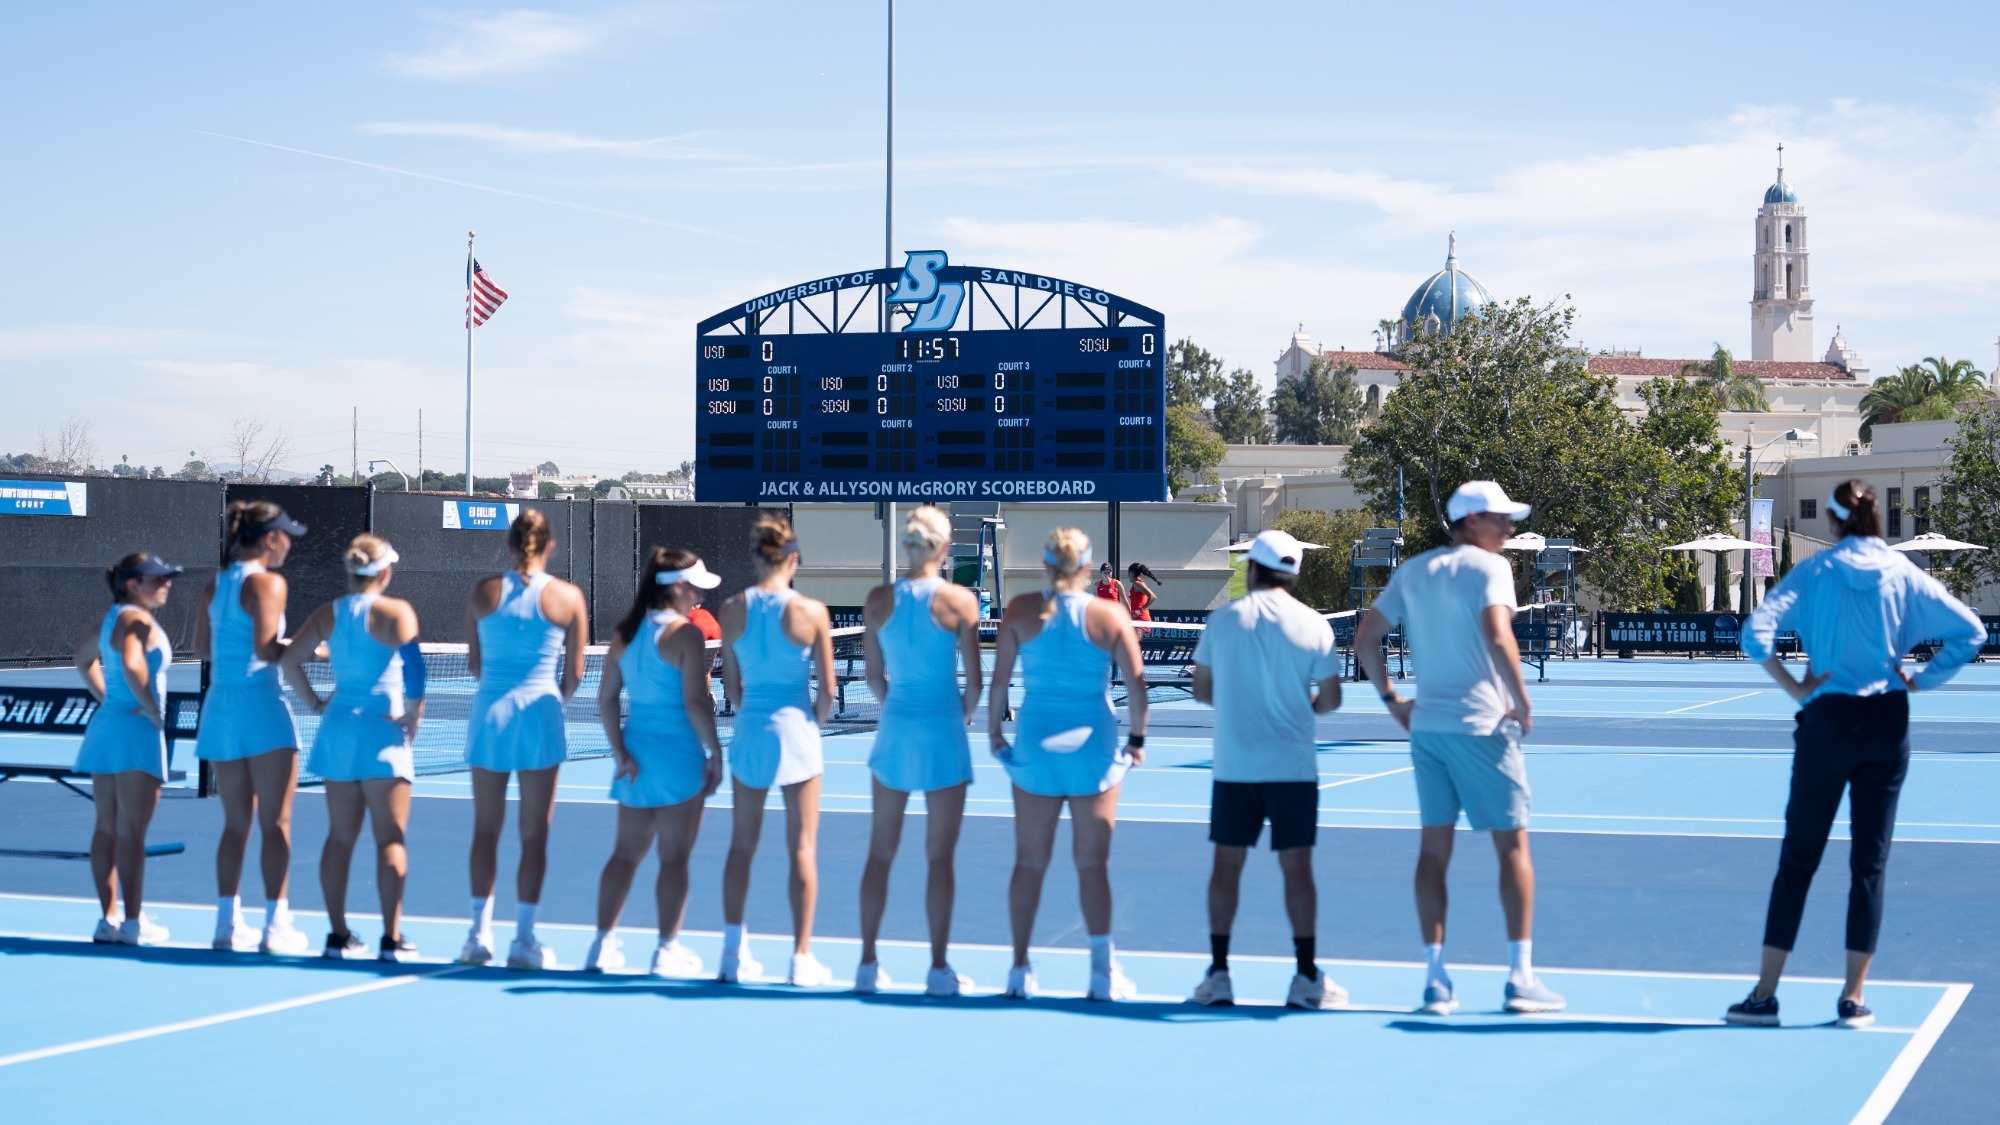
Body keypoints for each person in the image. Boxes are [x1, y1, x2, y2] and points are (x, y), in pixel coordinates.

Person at [1725, 479, 1985, 1029]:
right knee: (1869, 864)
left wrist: (1796, 687)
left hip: (1827, 721)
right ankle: (1853, 997)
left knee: (1798, 859)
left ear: (1836, 521)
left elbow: (1755, 634)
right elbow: (1971, 631)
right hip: (1887, 721)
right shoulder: (1904, 572)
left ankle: (1765, 995)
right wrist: (1922, 680)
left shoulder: (1816, 572)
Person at [1354, 481, 1565, 1015]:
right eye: (1500, 518)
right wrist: (1522, 701)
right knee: (1513, 848)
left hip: (1428, 731)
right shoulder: (1491, 568)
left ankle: (1435, 980)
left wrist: (1392, 701)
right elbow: (1498, 635)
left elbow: (1364, 639)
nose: (1509, 528)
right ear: (1471, 520)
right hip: (1481, 728)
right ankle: (1520, 978)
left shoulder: (1413, 571)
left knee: (1433, 852)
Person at [1188, 530, 1347, 1009]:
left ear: (1252, 569)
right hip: (1293, 767)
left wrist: (1240, 703)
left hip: (1235, 766)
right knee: (1297, 870)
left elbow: (1201, 690)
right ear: (1294, 575)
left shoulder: (1223, 621)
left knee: (1226, 866)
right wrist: (1299, 707)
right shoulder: (1315, 625)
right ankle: (1305, 977)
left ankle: (1218, 974)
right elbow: (1332, 698)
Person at [990, 528, 1149, 1001]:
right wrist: (1137, 741)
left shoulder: (1019, 610)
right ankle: (1103, 973)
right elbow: (1138, 691)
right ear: (1086, 567)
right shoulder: (1109, 614)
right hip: (1093, 750)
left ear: (1045, 564)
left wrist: (996, 736)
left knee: (1028, 862)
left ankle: (1019, 970)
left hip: (1036, 745)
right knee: (1092, 864)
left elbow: (999, 684)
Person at [854, 505, 984, 996]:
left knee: (879, 853)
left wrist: (896, 707)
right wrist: (961, 715)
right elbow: (973, 683)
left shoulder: (877, 600)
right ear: (944, 546)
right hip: (942, 731)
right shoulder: (961, 601)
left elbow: (873, 676)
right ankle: (937, 968)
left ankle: (867, 965)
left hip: (896, 729)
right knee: (940, 859)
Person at [279, 535, 425, 962]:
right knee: (390, 840)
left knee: (340, 838)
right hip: (383, 733)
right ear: (383, 572)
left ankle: (338, 935)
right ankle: (391, 939)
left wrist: (315, 704)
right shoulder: (397, 612)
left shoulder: (329, 614)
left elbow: (290, 660)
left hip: (339, 731)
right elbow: (415, 669)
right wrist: (414, 713)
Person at [583, 548, 726, 976]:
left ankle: (601, 946)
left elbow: (605, 699)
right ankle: (666, 949)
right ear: (678, 587)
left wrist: (621, 754)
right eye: (696, 585)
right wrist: (716, 753)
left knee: (625, 855)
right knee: (674, 858)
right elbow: (697, 703)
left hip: (639, 756)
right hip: (678, 756)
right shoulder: (686, 635)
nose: (700, 592)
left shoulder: (625, 633)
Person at [460, 508, 588, 970]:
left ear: (510, 546)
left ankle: (478, 936)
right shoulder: (569, 596)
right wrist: (554, 701)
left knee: (485, 830)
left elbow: (475, 664)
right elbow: (575, 672)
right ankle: (523, 940)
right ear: (549, 546)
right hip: (540, 715)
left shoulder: (482, 592)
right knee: (534, 835)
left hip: (490, 713)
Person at [717, 516, 837, 986]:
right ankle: (801, 957)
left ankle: (732, 952)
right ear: (792, 557)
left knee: (741, 846)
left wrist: (756, 714)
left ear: (755, 555)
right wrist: (810, 724)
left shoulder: (730, 609)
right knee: (803, 847)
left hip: (750, 732)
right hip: (797, 734)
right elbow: (826, 690)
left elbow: (729, 685)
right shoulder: (812, 612)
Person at [193, 501, 310, 955]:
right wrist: (312, 649)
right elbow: (267, 650)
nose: (290, 544)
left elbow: (203, 647)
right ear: (269, 539)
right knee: (276, 822)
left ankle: (227, 926)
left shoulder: (216, 583)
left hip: (220, 707)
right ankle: (276, 926)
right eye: (286, 536)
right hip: (260, 707)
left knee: (235, 823)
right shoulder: (268, 583)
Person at [73, 553, 182, 946]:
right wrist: (153, 709)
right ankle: (133, 924)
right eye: (157, 578)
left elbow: (83, 660)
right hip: (136, 732)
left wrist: (110, 699)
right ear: (132, 584)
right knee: (131, 832)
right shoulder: (136, 619)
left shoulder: (113, 617)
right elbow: (134, 665)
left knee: (107, 828)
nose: (166, 583)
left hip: (108, 729)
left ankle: (109, 920)